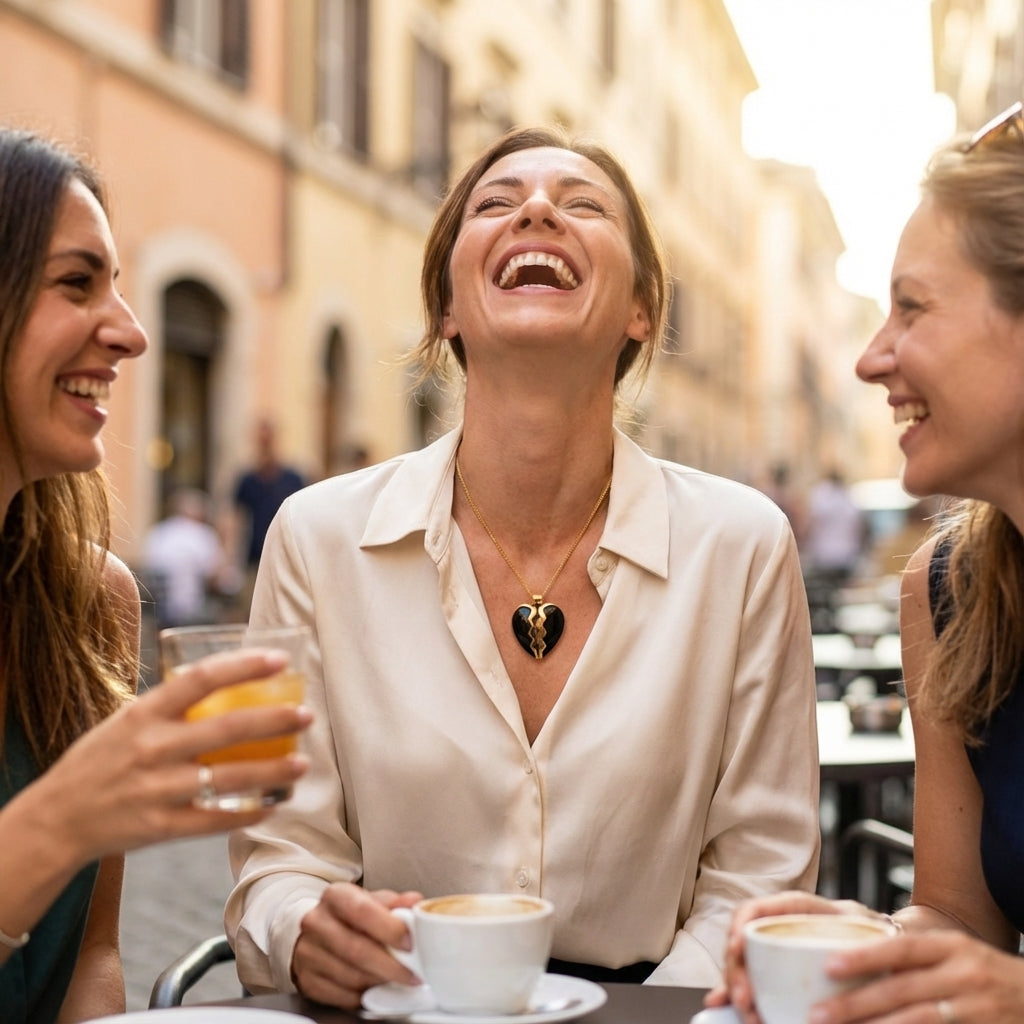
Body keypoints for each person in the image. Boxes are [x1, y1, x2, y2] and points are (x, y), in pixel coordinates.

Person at [225, 125, 820, 1008]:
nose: (537, 209)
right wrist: (305, 931)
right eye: (496, 204)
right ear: (447, 311)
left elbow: (760, 878)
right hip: (393, 1009)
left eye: (583, 205)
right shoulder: (315, 538)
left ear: (641, 311)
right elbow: (279, 859)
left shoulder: (743, 546)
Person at [710, 102, 1024, 1024]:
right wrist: (868, 951)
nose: (867, 358)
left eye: (912, 307)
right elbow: (964, 925)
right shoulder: (950, 594)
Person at [0, 127, 312, 1022]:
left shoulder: (91, 601)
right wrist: (66, 814)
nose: (132, 333)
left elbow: (94, 958)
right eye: (75, 282)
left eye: (120, 287)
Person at [233, 417, 306, 608]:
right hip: (255, 557)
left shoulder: (293, 478)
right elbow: (235, 519)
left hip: (287, 556)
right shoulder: (247, 479)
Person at [141, 486, 236, 626]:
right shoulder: (200, 534)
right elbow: (216, 578)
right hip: (190, 609)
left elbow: (147, 566)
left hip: (157, 609)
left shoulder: (157, 532)